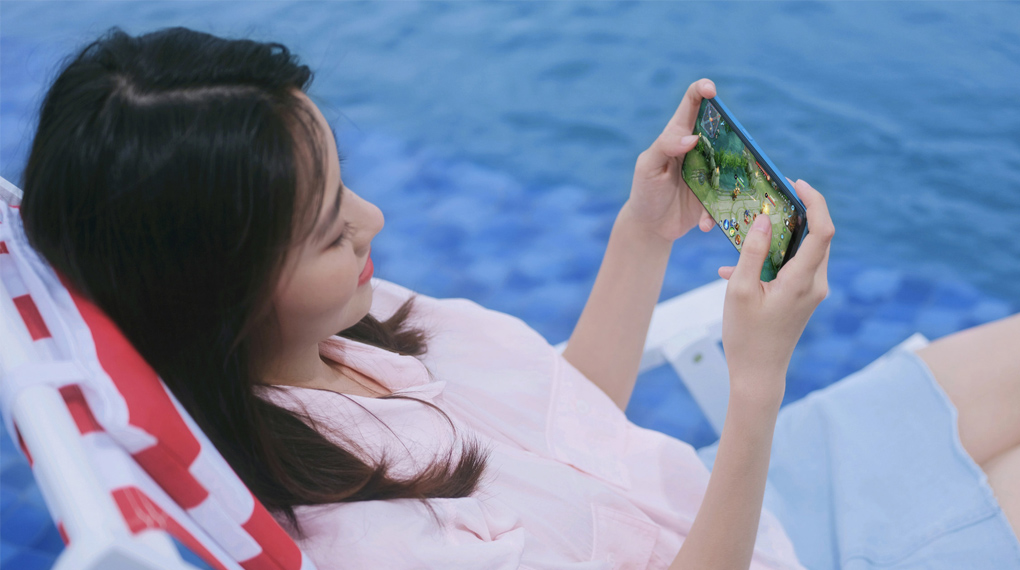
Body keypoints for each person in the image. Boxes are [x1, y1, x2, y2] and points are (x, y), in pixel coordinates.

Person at [17, 27, 1020, 570]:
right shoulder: (365, 544)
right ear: (225, 293)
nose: (372, 220)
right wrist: (756, 384)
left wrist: (642, 234)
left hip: (718, 503)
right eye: (328, 228)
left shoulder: (336, 334)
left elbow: (566, 422)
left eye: (342, 183)